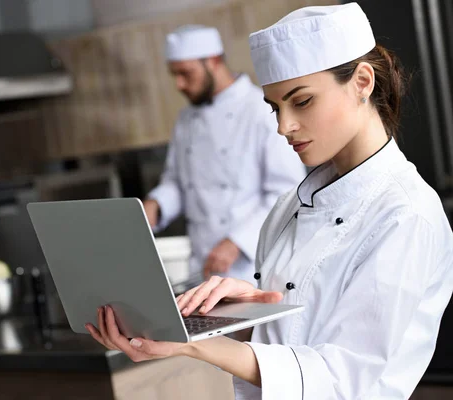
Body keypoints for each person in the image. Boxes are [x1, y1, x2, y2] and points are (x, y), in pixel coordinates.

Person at [86, 3, 453, 399]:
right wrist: (235, 316)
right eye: (276, 107)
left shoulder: (407, 215)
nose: (283, 126)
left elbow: (341, 380)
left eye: (302, 101)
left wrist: (190, 343)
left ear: (362, 82)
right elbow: (288, 346)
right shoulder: (285, 211)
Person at [144, 25, 305, 283]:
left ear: (214, 61)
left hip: (251, 267)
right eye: (174, 75)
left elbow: (287, 192)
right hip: (201, 267)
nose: (179, 84)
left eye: (186, 73)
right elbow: (178, 181)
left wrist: (236, 243)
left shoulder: (259, 110)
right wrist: (156, 206)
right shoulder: (186, 119)